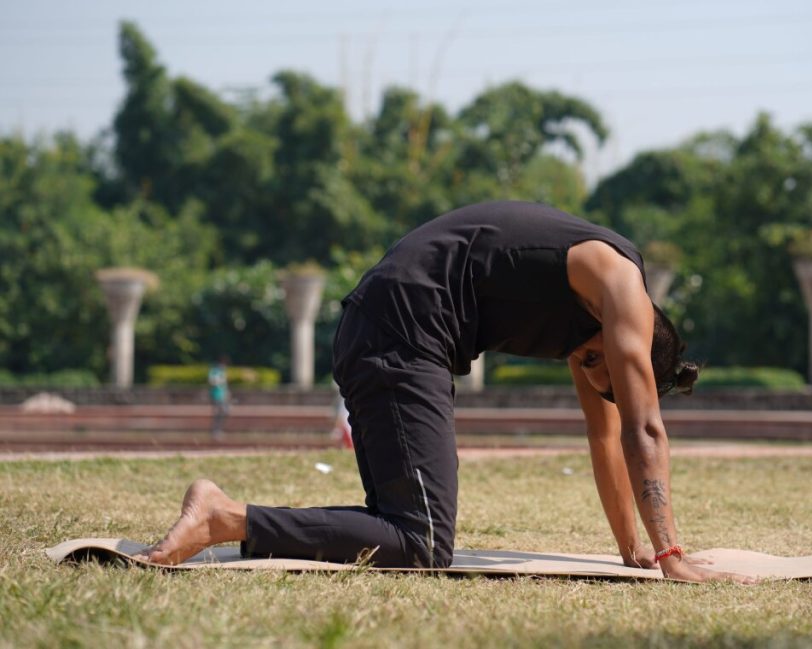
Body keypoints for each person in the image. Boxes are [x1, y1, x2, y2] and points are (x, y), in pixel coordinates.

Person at [139, 201, 753, 584]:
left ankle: (228, 515)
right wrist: (673, 551)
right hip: (401, 333)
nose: (589, 371)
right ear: (635, 338)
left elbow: (604, 436)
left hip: (380, 330)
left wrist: (633, 549)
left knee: (407, 531)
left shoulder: (589, 317)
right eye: (598, 362)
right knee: (424, 543)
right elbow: (641, 428)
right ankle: (224, 517)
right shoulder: (620, 283)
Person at [208, 357, 230, 440]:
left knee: (223, 412)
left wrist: (227, 394)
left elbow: (225, 386)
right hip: (216, 395)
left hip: (222, 396)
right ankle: (215, 431)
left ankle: (217, 430)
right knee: (218, 413)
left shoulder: (222, 372)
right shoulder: (214, 372)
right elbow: (213, 382)